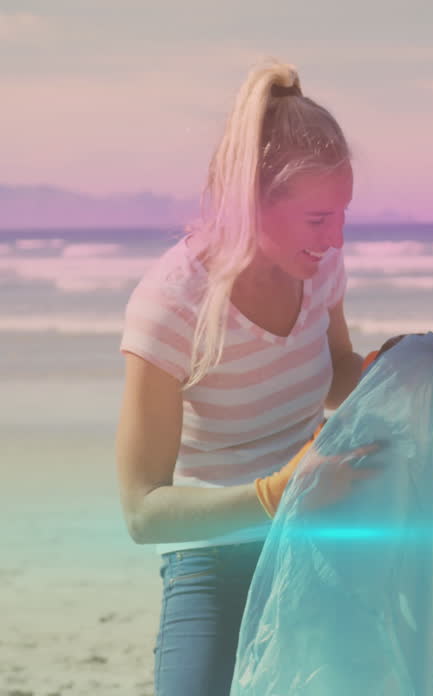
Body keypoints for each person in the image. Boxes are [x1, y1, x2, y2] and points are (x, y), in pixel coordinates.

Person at [115, 61, 376, 695]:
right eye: (318, 219)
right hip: (209, 549)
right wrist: (269, 495)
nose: (336, 237)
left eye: (341, 214)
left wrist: (385, 375)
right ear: (251, 203)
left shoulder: (319, 269)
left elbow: (336, 373)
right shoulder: (173, 305)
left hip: (314, 531)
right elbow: (143, 512)